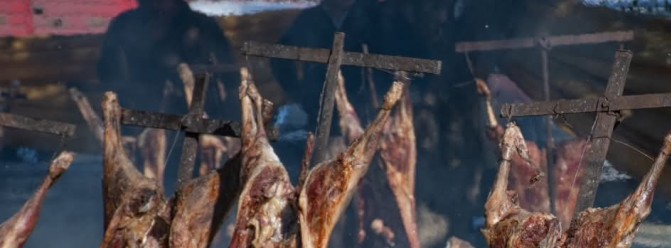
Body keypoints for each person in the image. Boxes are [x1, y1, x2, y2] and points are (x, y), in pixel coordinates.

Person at [271, 0, 428, 127]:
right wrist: (298, 93)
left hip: (373, 115)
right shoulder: (310, 19)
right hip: (323, 114)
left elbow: (420, 53)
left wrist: (415, 92)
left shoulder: (379, 15)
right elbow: (280, 56)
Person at [98, 0, 237, 117]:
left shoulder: (203, 25)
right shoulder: (124, 25)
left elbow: (229, 75)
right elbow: (108, 74)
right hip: (141, 115)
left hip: (201, 115)